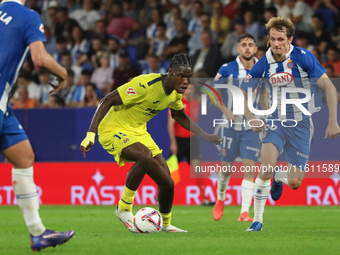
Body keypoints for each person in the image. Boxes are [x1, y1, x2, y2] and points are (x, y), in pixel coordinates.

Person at [80, 53, 222, 233]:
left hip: (139, 131)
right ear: (170, 72)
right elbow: (106, 100)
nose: (186, 81)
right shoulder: (144, 84)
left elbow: (179, 115)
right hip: (113, 129)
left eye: (188, 76)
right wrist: (90, 134)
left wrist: (206, 136)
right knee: (144, 156)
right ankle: (123, 209)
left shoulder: (175, 93)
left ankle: (165, 224)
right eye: (181, 75)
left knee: (167, 183)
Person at [240, 17, 340, 231]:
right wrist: (251, 116)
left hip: (302, 124)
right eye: (272, 38)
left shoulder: (304, 58)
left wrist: (333, 121)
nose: (276, 43)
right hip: (275, 122)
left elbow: (330, 88)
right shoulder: (264, 63)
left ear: (290, 39)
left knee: (295, 183)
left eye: (280, 39)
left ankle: (279, 176)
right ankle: (257, 220)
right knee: (265, 167)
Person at [0, 0, 74, 250]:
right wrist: (63, 72)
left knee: (23, 156)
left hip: (4, 106)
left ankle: (38, 233)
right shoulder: (28, 16)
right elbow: (39, 58)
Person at [212, 33, 267, 222]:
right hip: (230, 125)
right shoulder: (227, 69)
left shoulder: (262, 68)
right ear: (238, 48)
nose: (247, 48)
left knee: (249, 166)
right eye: (244, 45)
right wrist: (226, 110)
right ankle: (220, 198)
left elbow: (264, 94)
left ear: (256, 48)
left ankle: (244, 211)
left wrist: (266, 118)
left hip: (251, 126)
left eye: (251, 44)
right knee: (226, 168)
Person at [167, 84, 210, 205]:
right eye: (189, 88)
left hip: (192, 140)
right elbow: (170, 125)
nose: (191, 91)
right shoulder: (176, 103)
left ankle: (204, 199)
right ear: (184, 90)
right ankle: (161, 196)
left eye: (193, 89)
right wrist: (173, 142)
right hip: (178, 140)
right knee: (171, 172)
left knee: (198, 169)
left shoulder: (196, 103)